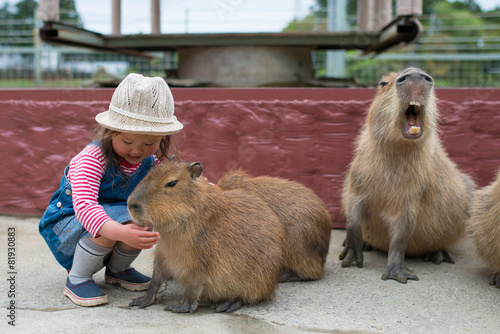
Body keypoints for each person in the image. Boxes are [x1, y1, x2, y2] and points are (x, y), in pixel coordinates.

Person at [39, 73, 183, 307]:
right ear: (110, 131)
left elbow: (165, 186)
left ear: (162, 138)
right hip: (69, 225)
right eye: (127, 142)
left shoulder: (150, 162)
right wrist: (120, 232)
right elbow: (85, 207)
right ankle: (77, 278)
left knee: (143, 219)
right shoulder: (92, 158)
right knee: (113, 224)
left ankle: (117, 272)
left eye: (148, 144)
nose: (136, 150)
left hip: (107, 223)